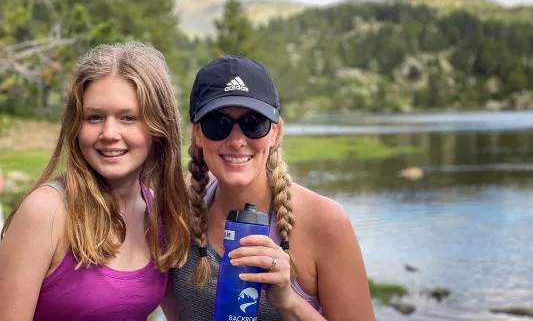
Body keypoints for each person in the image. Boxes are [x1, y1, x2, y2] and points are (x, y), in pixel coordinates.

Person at [162, 55, 376, 320]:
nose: (237, 141)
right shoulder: (176, 207)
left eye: (254, 123)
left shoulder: (325, 221)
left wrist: (289, 302)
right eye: (219, 124)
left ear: (275, 132)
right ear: (197, 133)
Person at [0, 42, 191, 321]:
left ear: (158, 128)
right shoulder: (46, 212)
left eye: (128, 118)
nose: (109, 133)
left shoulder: (158, 212)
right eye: (95, 117)